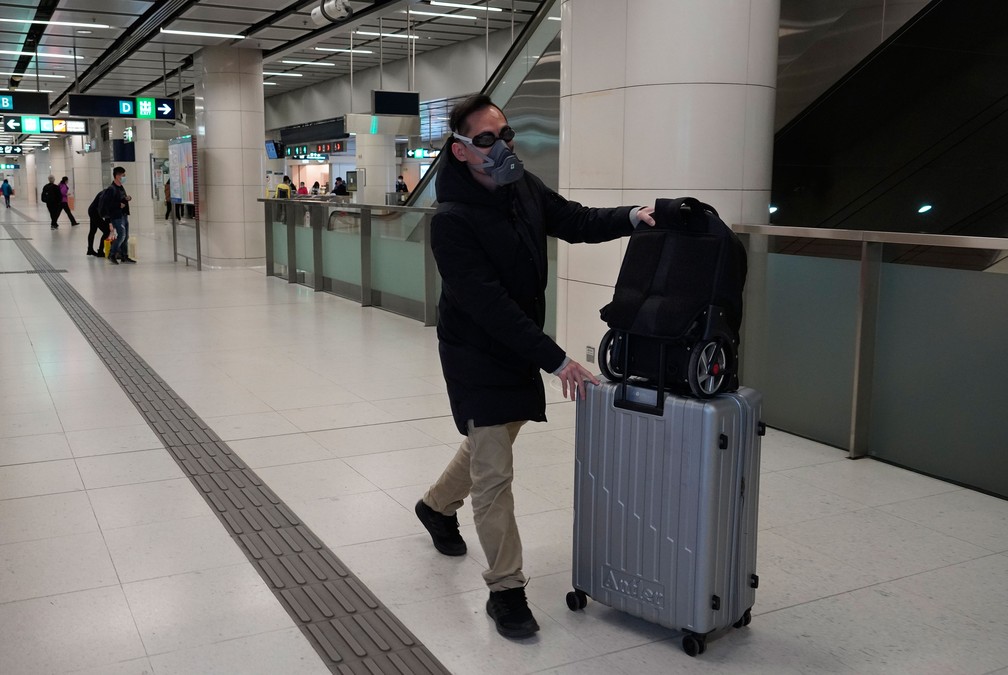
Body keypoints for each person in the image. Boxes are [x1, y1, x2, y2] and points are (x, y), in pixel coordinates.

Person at [414, 94, 655, 640]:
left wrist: (634, 218)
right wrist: (558, 360)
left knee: (491, 436)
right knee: (494, 469)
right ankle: (506, 589)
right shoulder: (450, 221)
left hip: (515, 345)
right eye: (486, 140)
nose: (501, 147)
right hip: (476, 350)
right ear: (459, 151)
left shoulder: (522, 186)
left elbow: (573, 219)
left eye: (506, 135)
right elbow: (488, 305)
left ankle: (434, 507)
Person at [99, 166, 136, 264]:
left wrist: (127, 198)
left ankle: (124, 256)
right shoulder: (111, 189)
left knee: (125, 236)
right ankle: (112, 254)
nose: (124, 177)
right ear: (117, 176)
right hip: (116, 216)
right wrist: (118, 204)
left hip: (123, 215)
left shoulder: (120, 187)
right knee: (122, 235)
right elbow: (108, 204)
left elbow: (120, 199)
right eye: (123, 175)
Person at [86, 191, 110, 258]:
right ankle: (100, 251)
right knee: (107, 231)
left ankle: (90, 250)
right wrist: (108, 222)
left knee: (93, 231)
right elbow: (104, 208)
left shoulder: (107, 192)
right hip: (95, 212)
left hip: (93, 210)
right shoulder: (107, 194)